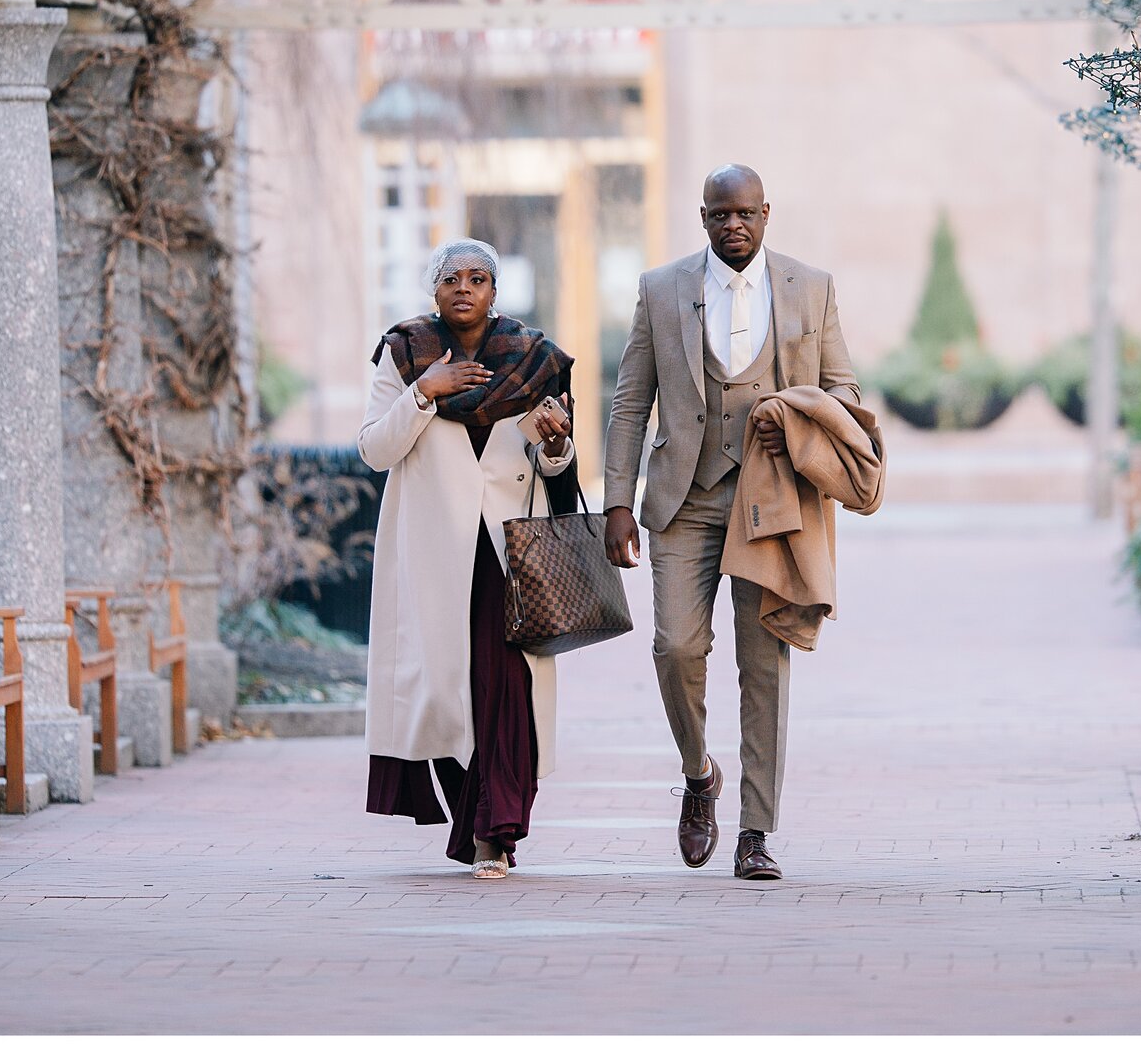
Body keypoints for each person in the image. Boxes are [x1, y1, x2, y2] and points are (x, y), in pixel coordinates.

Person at [600, 165, 861, 881]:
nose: (734, 224)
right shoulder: (660, 289)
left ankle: (755, 830)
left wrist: (801, 424)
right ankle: (698, 773)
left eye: (746, 212)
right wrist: (617, 499)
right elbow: (629, 403)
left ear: (767, 213)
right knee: (675, 645)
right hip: (683, 498)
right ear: (704, 217)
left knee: (763, 662)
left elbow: (845, 389)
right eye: (721, 214)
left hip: (771, 504)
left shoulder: (813, 287)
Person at [360, 238, 578, 880]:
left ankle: (497, 830)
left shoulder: (536, 360)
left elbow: (557, 472)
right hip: (434, 552)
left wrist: (559, 444)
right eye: (451, 278)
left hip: (514, 552)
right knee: (448, 693)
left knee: (507, 689)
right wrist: (425, 392)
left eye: (478, 278)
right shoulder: (404, 355)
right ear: (434, 290)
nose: (464, 288)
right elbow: (375, 450)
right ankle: (478, 816)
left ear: (494, 291)